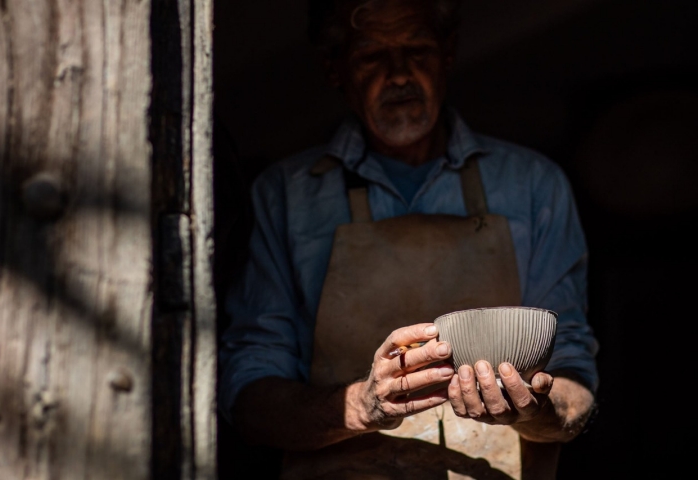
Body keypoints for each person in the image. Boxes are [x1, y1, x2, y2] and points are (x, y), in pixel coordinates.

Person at [218, 1, 599, 478]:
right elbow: (248, 396)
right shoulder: (285, 196)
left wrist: (537, 410)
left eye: (417, 50)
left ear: (448, 55)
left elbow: (574, 383)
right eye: (371, 56)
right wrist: (361, 405)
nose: (398, 75)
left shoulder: (534, 185)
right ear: (336, 69)